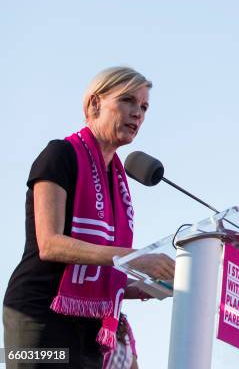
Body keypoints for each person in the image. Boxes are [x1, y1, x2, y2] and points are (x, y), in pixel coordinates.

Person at [3, 67, 175, 369]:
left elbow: (98, 271)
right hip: (37, 319)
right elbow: (50, 245)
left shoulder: (117, 181)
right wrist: (133, 258)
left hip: (89, 330)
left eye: (144, 107)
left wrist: (144, 285)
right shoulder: (60, 155)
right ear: (94, 104)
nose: (137, 113)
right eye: (127, 101)